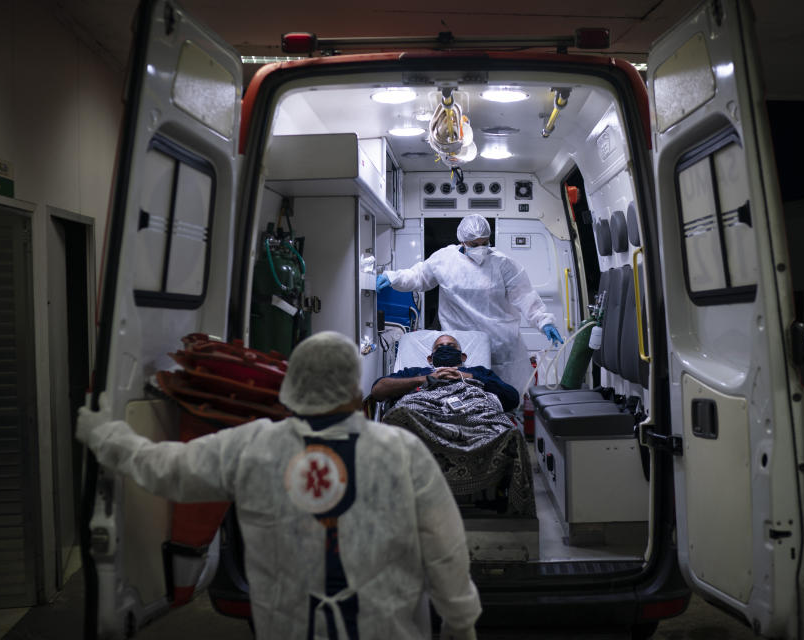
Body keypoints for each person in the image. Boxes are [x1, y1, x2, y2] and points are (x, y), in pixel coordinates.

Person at [76, 331, 481, 639]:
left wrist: (103, 434)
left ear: (292, 387)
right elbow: (445, 548)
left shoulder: (252, 446)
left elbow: (161, 468)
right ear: (354, 390)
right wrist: (461, 624)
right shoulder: (402, 451)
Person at [376, 213, 563, 395]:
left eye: (485, 243)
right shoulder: (445, 260)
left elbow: (525, 295)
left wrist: (543, 321)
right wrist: (392, 277)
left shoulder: (503, 264)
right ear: (462, 241)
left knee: (506, 395)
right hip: (464, 343)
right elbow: (418, 276)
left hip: (501, 344)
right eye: (474, 244)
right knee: (464, 389)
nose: (481, 248)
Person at [371, 334, 519, 412]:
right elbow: (378, 390)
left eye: (451, 346)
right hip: (422, 415)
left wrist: (468, 377)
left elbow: (512, 398)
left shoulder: (478, 372)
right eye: (440, 347)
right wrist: (424, 379)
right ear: (430, 359)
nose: (445, 348)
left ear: (463, 357)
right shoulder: (415, 372)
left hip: (472, 414)